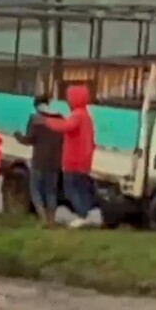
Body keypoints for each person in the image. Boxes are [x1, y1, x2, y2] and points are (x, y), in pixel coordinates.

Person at [44, 85, 97, 225]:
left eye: (69, 97)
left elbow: (65, 127)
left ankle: (82, 216)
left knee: (71, 190)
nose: (67, 101)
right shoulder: (86, 115)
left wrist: (47, 121)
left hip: (74, 161)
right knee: (82, 189)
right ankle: (86, 215)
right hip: (84, 161)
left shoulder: (78, 115)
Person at [18, 93, 63, 224]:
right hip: (55, 161)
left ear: (37, 106)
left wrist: (18, 136)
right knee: (51, 191)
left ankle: (43, 217)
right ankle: (52, 220)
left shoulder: (35, 119)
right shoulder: (60, 118)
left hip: (39, 160)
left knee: (35, 190)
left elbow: (30, 139)